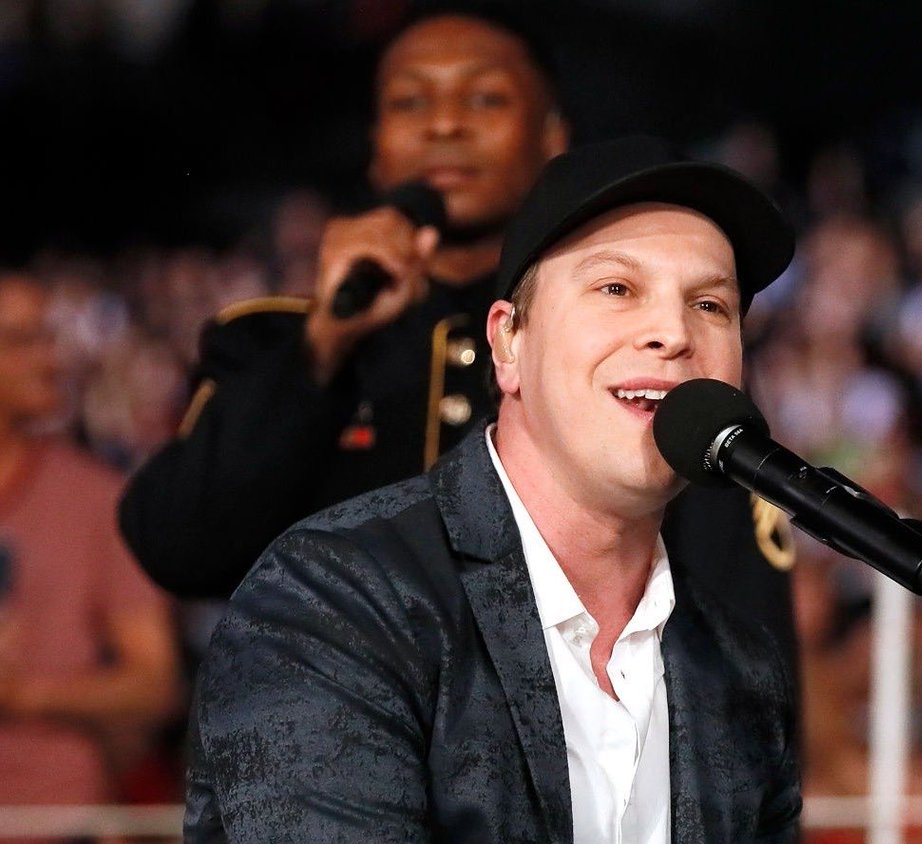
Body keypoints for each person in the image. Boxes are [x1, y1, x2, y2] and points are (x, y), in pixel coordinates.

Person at [117, 4, 796, 653]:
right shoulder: (278, 342)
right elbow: (178, 548)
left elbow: (739, 618)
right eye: (410, 102)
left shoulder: (628, 350)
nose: (444, 125)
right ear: (376, 145)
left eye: (486, 99)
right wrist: (322, 345)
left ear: (552, 137)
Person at [187, 135, 800, 843]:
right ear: (509, 342)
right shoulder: (332, 601)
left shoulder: (740, 666)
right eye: (617, 289)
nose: (673, 332)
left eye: (711, 305)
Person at [0, 273, 178, 813]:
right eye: (21, 340)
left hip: (55, 819)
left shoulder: (93, 496)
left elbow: (154, 681)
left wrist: (25, 695)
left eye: (49, 338)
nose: (50, 360)